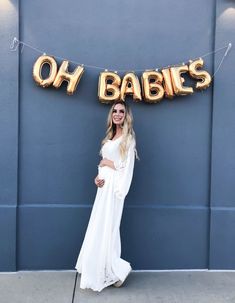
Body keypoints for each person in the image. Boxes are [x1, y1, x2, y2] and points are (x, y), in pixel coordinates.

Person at [75, 100, 138, 292]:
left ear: (126, 115)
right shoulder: (110, 136)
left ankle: (118, 269)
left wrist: (108, 165)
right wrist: (97, 177)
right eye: (114, 111)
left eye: (121, 111)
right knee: (98, 226)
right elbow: (103, 164)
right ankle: (101, 269)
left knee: (108, 227)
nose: (117, 114)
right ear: (111, 115)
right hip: (103, 188)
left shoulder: (128, 138)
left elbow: (126, 168)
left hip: (114, 190)